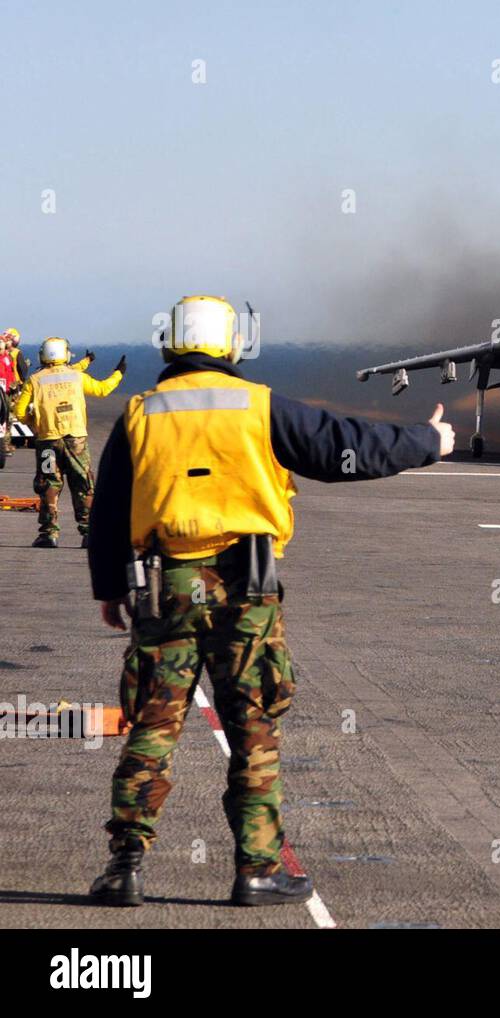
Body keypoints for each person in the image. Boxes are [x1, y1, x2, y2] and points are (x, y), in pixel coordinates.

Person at [85, 295, 454, 907]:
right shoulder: (258, 406)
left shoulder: (140, 414)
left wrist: (107, 587)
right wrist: (428, 440)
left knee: (152, 726)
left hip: (168, 587)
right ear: (233, 344)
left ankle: (125, 865)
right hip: (247, 591)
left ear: (172, 344)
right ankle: (257, 868)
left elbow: (108, 510)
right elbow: (347, 448)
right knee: (252, 726)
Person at [10, 337, 124, 547]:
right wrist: (118, 374)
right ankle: (89, 532)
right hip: (76, 440)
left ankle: (48, 534)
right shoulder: (76, 376)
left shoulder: (35, 379)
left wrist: (35, 424)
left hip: (47, 442)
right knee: (83, 484)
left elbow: (19, 411)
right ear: (65, 353)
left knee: (48, 485)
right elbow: (102, 389)